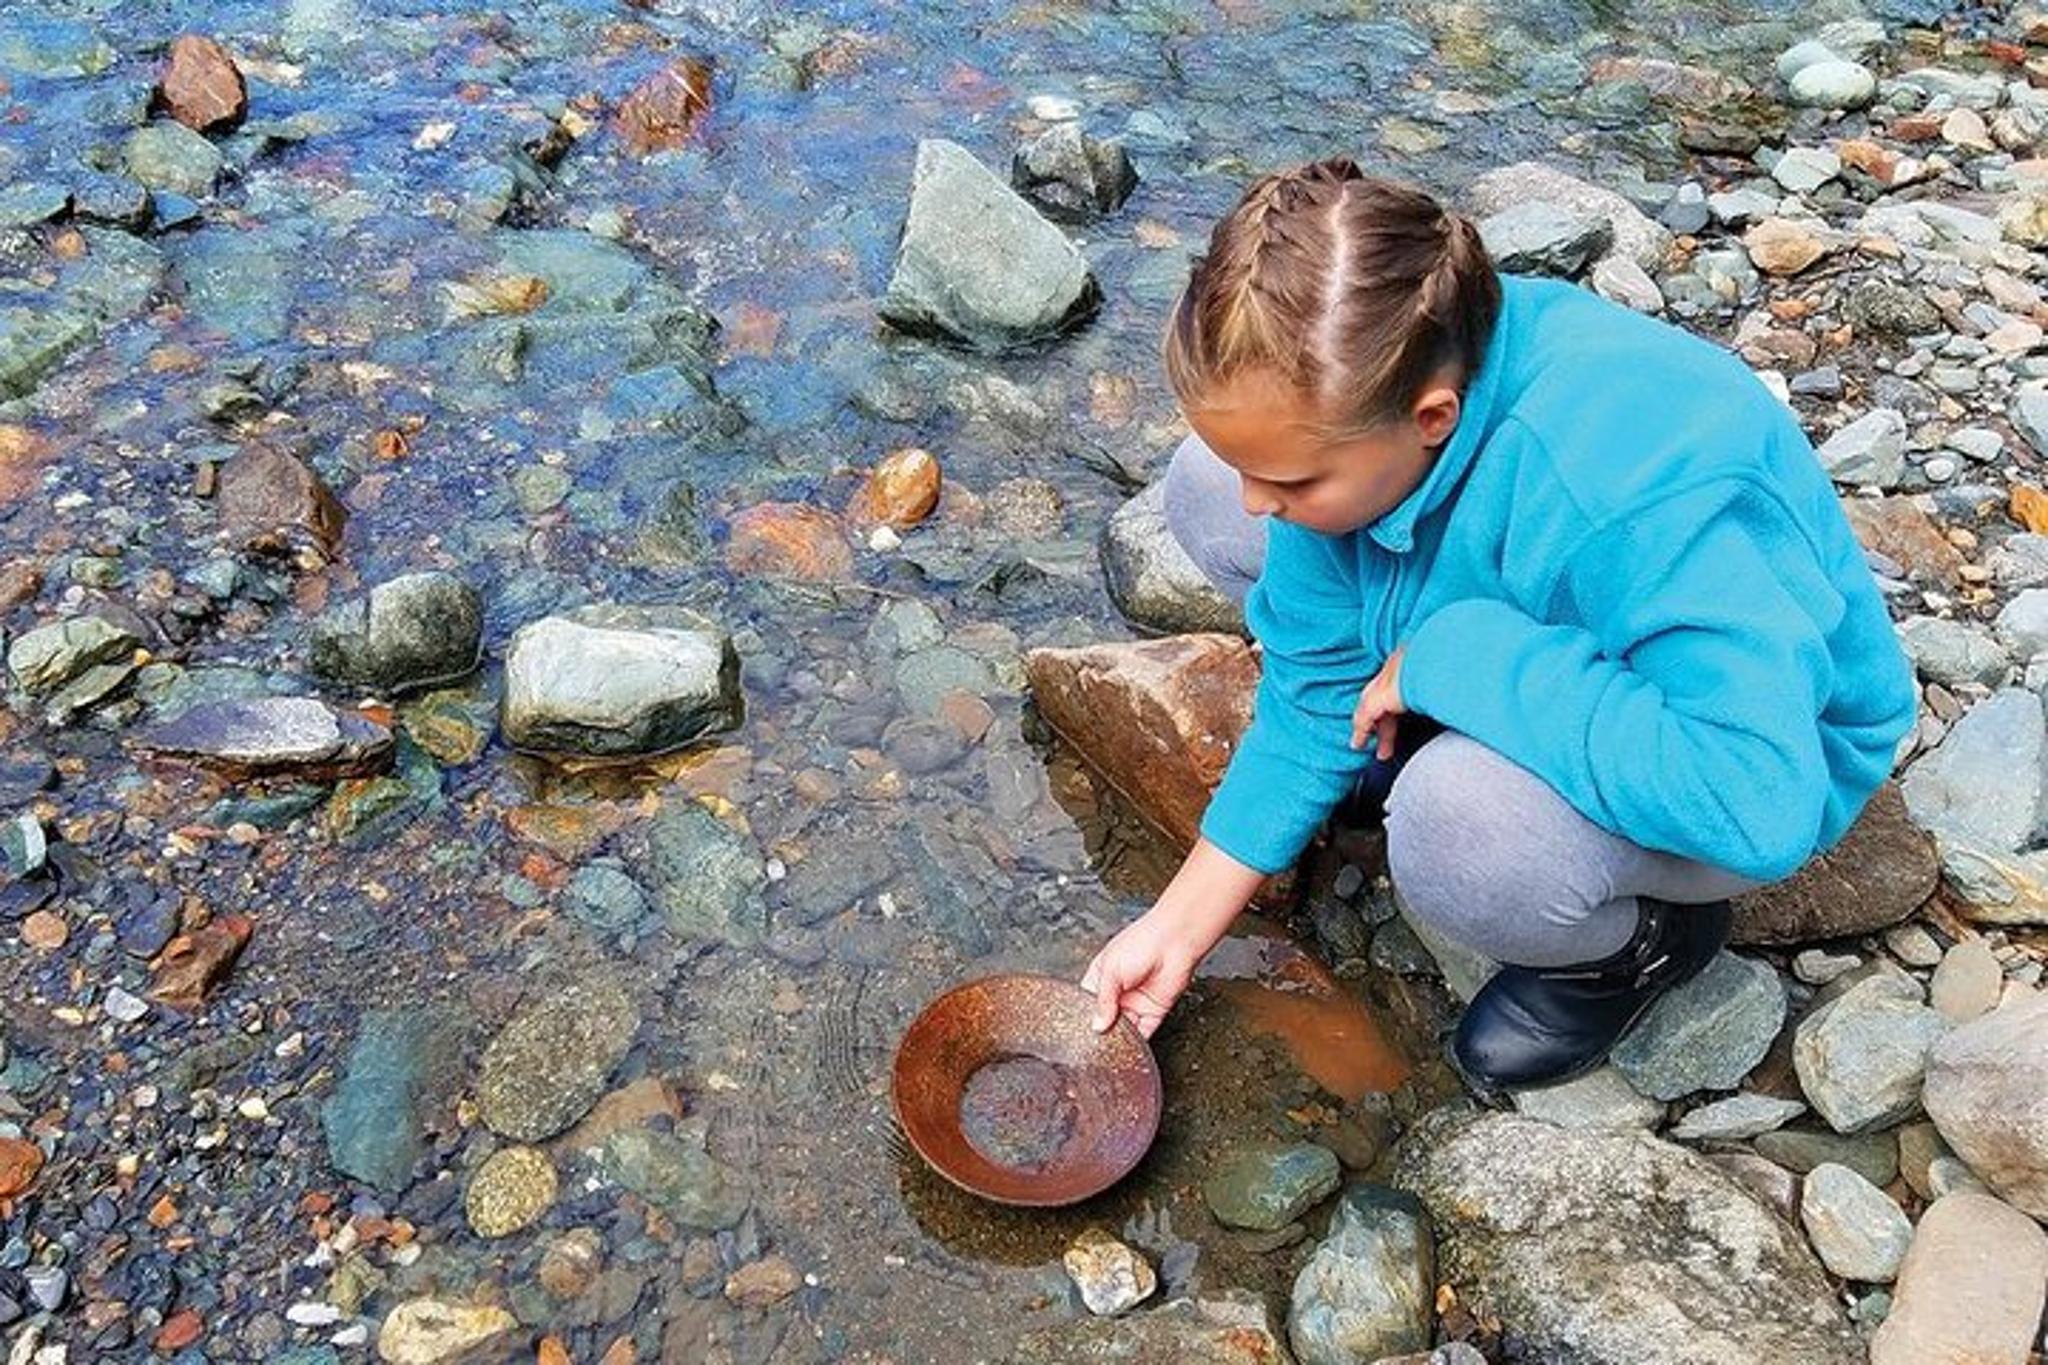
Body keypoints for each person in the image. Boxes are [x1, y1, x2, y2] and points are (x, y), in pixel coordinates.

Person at [1080, 156, 1916, 1091]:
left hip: (1757, 751)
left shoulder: (1628, 488)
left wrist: (1455, 660)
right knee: (1203, 489)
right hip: (1547, 628)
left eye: (1294, 481)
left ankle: (1636, 947)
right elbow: (1309, 689)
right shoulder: (1386, 371)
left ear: (1432, 416)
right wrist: (1176, 927)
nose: (1260, 500)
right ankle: (1422, 697)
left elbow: (1759, 804)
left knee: (1454, 828)